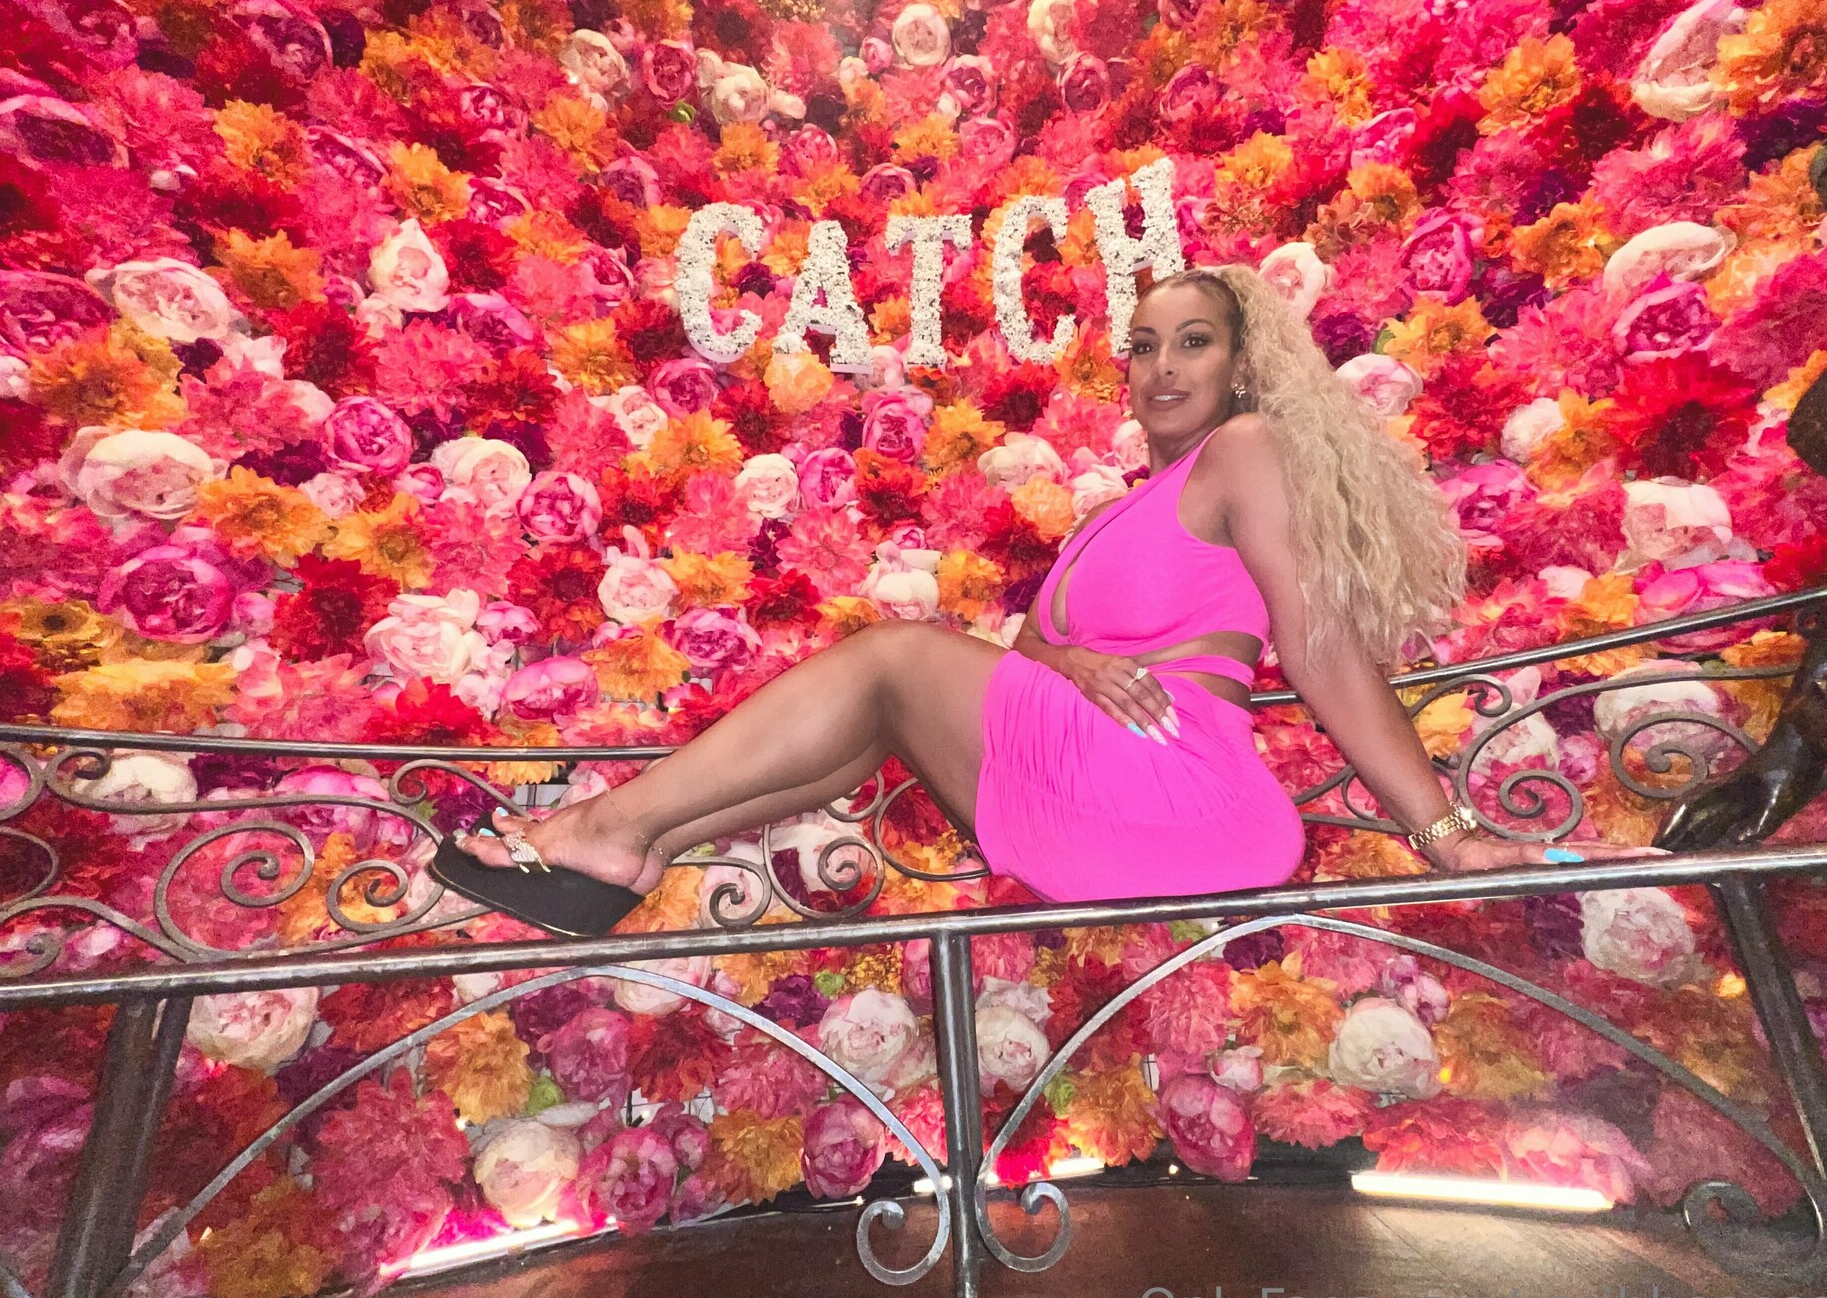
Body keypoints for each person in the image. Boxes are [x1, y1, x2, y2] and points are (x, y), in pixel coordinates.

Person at [432, 264, 1667, 936]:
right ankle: (638, 849)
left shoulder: (1246, 453)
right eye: (1145, 343)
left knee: (894, 659)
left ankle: (606, 829)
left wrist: (1444, 828)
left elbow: (1322, 647)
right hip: (1095, 768)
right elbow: (1035, 649)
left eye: (1194, 341)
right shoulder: (1127, 507)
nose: (1163, 365)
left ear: (1243, 364)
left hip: (1173, 787)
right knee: (879, 714)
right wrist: (1069, 664)